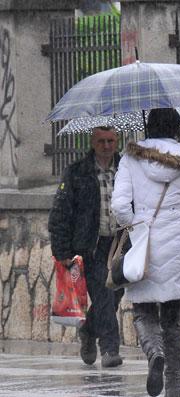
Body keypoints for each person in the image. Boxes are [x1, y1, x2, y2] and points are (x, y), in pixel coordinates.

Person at [111, 108, 180, 397]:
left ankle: (154, 353)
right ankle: (174, 384)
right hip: (176, 240)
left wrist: (138, 228)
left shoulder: (130, 158)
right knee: (173, 315)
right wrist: (174, 224)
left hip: (144, 242)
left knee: (142, 309)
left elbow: (120, 206)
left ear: (148, 127)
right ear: (177, 129)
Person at [48, 126, 125, 369]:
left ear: (117, 141)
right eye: (101, 141)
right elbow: (60, 214)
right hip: (90, 247)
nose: (106, 145)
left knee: (115, 294)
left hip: (121, 243)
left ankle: (89, 331)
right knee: (103, 294)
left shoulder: (127, 170)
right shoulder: (76, 173)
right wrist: (62, 253)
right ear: (92, 142)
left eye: (111, 140)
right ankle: (110, 349)